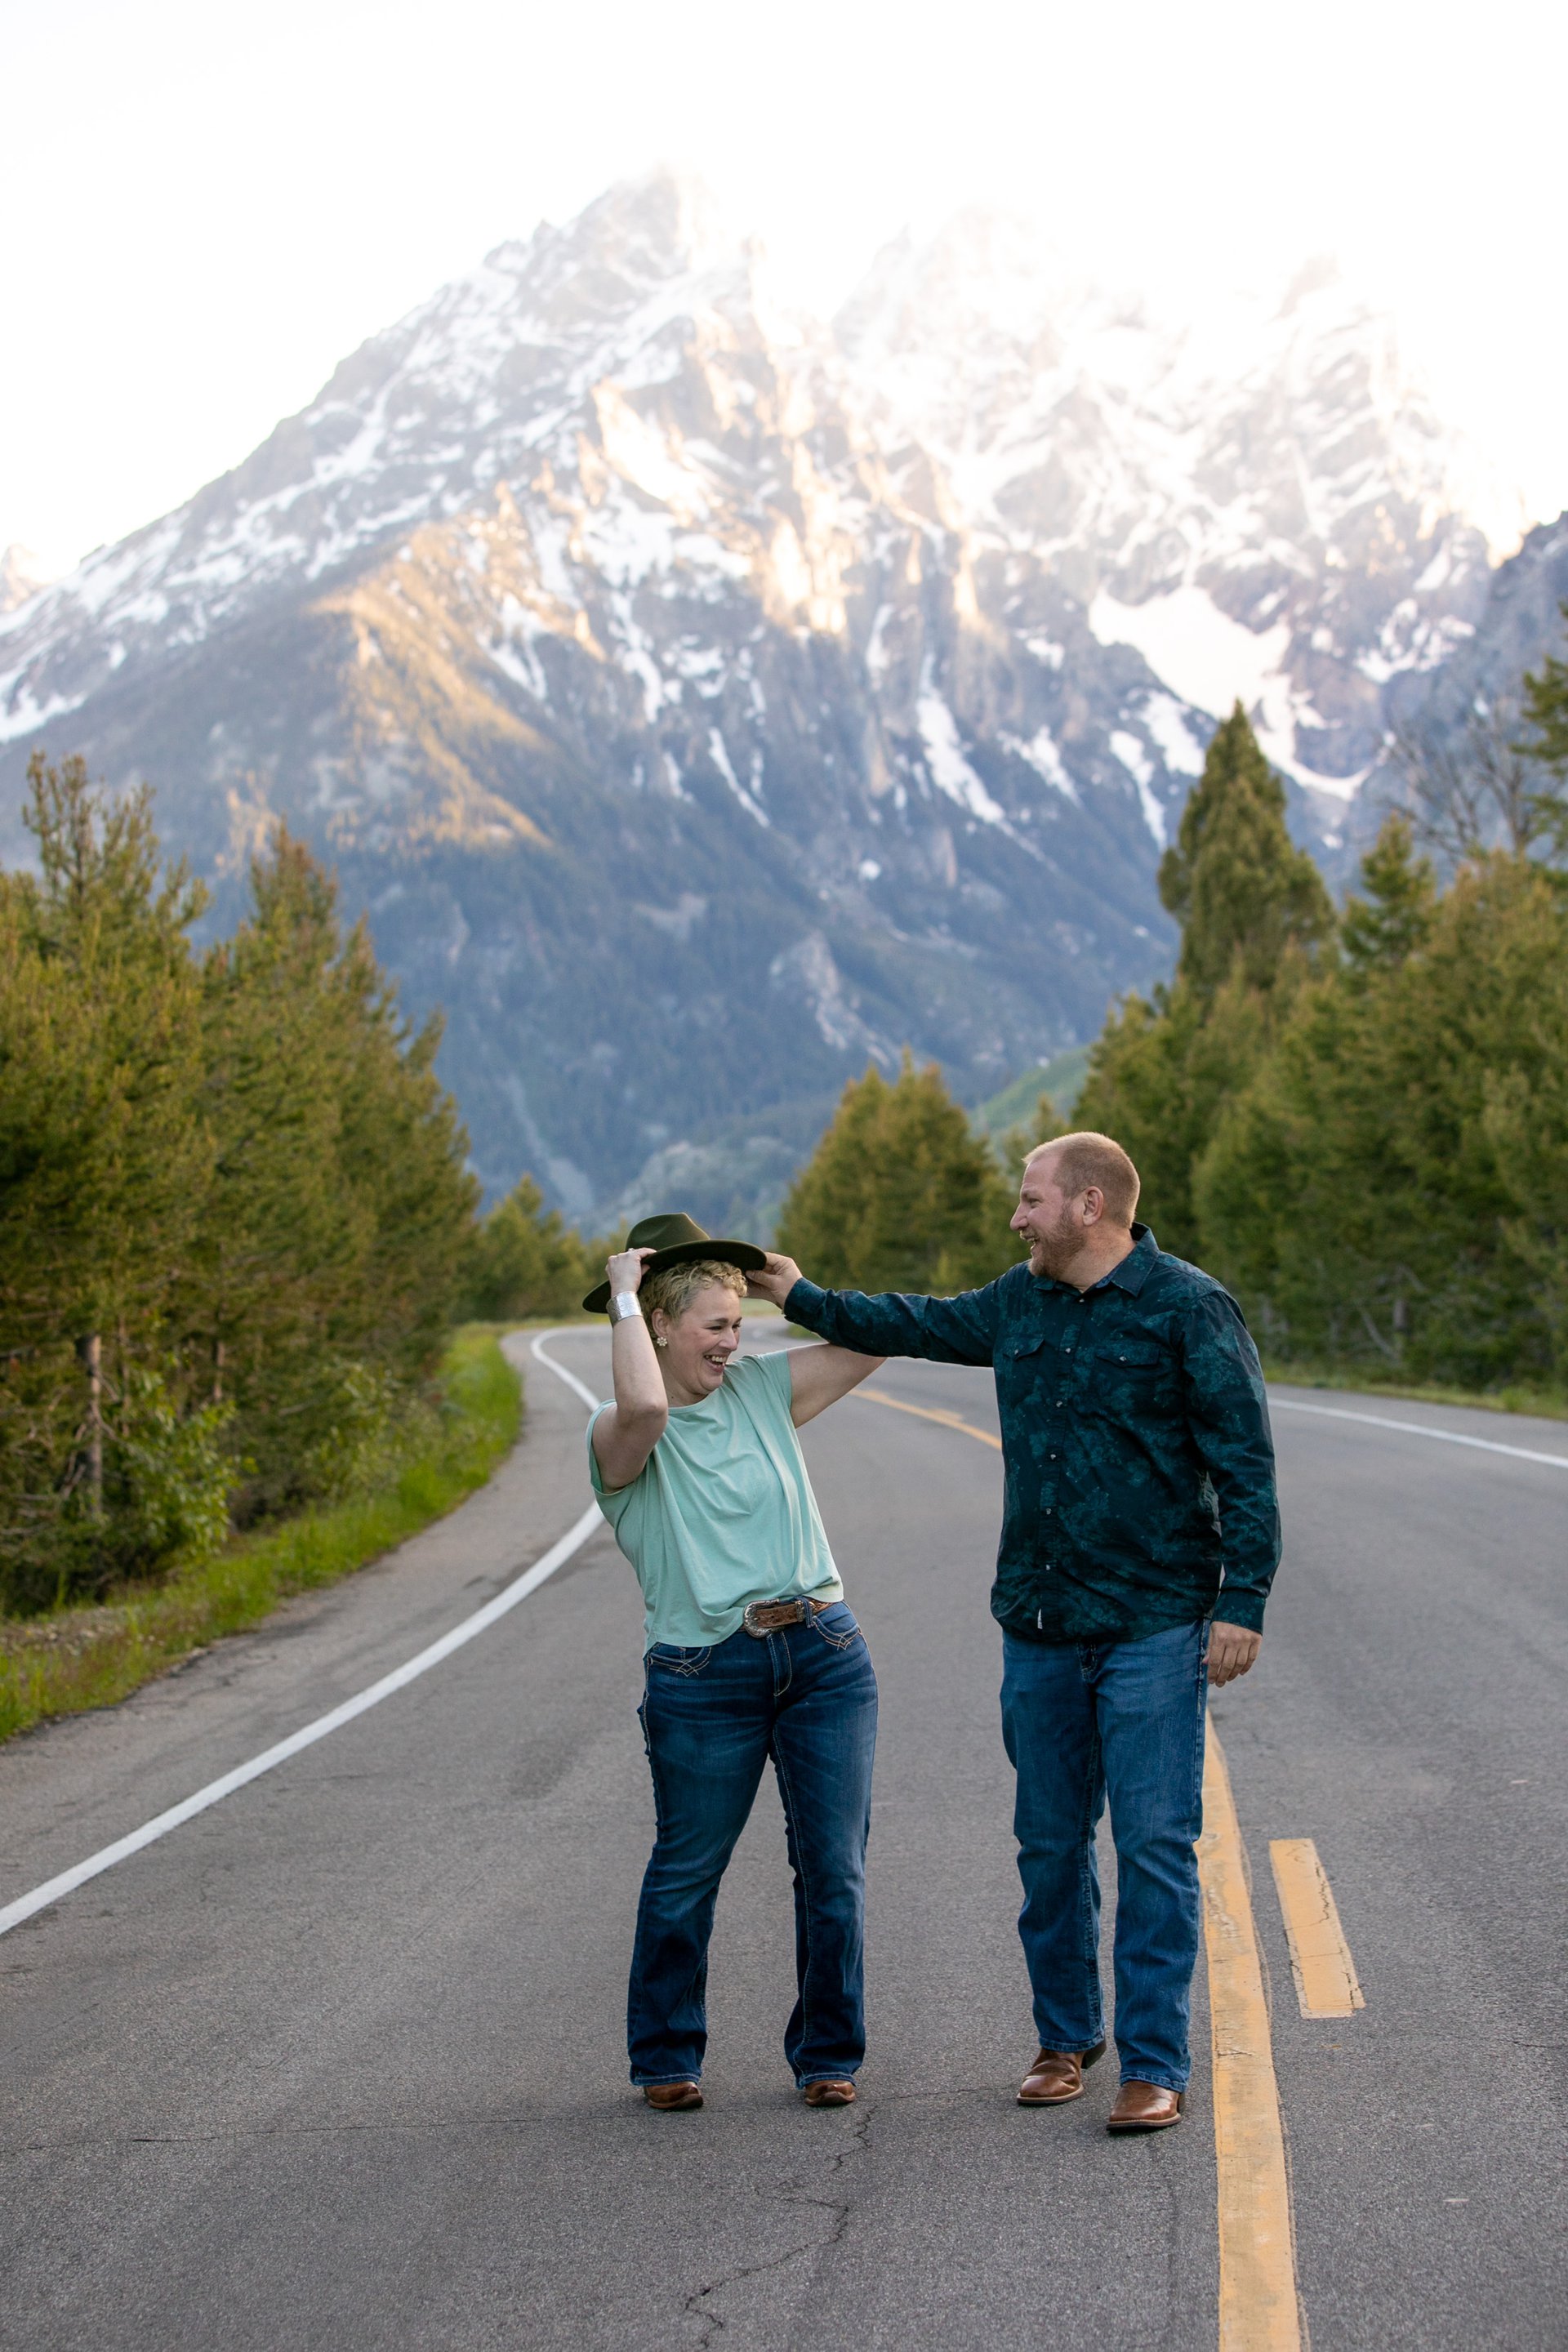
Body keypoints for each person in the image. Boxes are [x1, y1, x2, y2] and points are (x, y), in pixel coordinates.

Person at [747, 1134, 1280, 2134]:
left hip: (1155, 1626)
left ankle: (1155, 2063)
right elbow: (914, 1322)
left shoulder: (1187, 1308)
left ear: (1089, 1206)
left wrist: (1241, 1602)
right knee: (1047, 1845)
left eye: (1029, 1200)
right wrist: (801, 1293)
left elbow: (1245, 1463)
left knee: (1157, 1847)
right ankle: (1066, 2038)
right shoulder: (1019, 1301)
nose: (1015, 1216)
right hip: (1037, 1626)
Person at [584, 1211, 884, 2113]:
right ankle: (668, 2055)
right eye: (715, 1324)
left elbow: (871, 1347)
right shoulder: (620, 1436)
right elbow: (644, 1403)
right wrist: (624, 1300)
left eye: (737, 1322)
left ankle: (829, 2053)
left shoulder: (763, 1392)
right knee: (688, 1870)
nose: (731, 1340)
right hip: (701, 1674)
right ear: (660, 1325)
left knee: (834, 1870)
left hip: (825, 1652)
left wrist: (793, 1287)